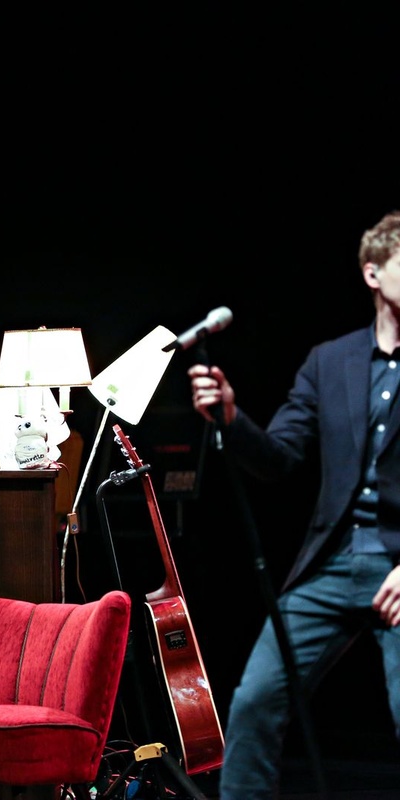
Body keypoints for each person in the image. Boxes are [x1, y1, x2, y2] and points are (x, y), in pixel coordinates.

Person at [188, 210, 400, 799]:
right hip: (331, 565)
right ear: (373, 273)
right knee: (255, 700)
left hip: (398, 567)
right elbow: (279, 458)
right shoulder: (331, 362)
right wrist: (231, 417)